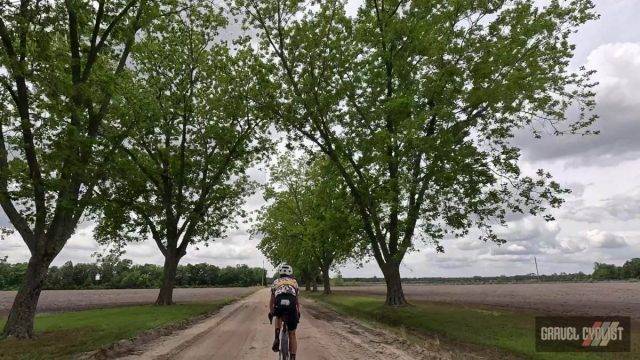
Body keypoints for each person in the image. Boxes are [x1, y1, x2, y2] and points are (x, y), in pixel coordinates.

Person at [269, 263, 300, 359]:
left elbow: (272, 301)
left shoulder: (276, 282)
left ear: (280, 272)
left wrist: (271, 312)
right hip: (291, 306)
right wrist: (298, 312)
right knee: (292, 334)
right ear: (290, 272)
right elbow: (296, 301)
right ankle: (293, 357)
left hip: (279, 304)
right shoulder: (294, 282)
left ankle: (277, 337)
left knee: (278, 316)